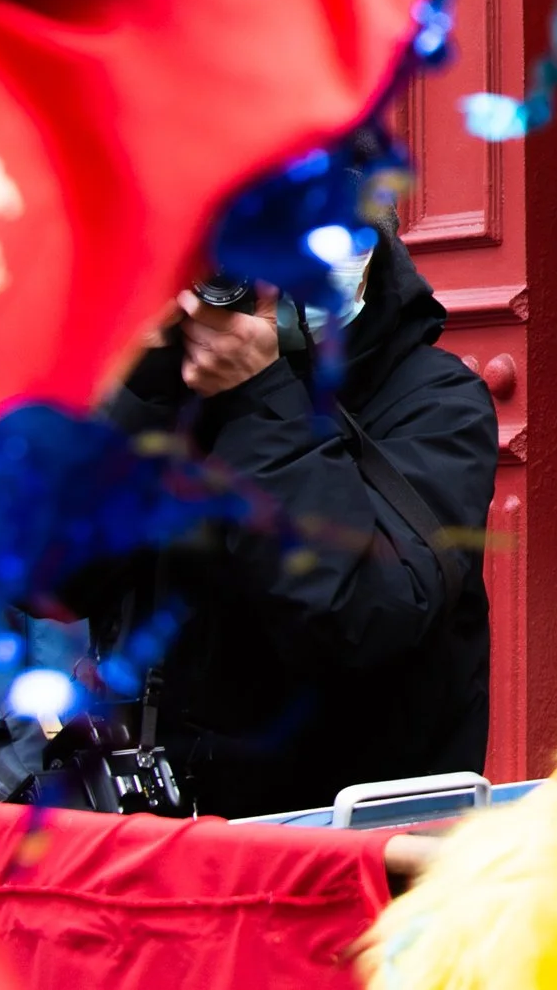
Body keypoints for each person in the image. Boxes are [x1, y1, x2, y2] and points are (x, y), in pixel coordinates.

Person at [75, 210, 499, 819]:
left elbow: (362, 617)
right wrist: (140, 390)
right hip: (158, 841)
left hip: (339, 844)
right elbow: (48, 582)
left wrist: (262, 401)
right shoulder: (179, 387)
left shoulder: (436, 402)